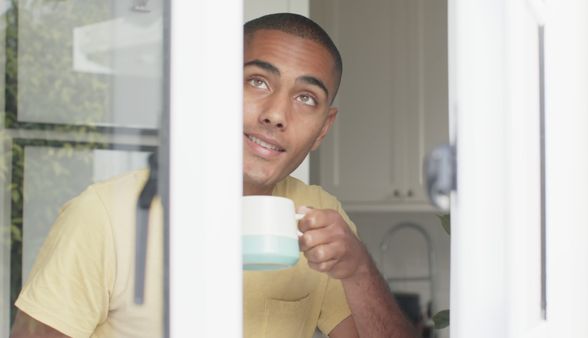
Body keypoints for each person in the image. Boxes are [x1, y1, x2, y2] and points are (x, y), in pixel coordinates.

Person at [11, 13, 416, 338]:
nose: (276, 114)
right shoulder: (104, 214)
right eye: (257, 81)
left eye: (305, 98)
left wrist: (359, 270)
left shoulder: (321, 217)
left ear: (323, 129)